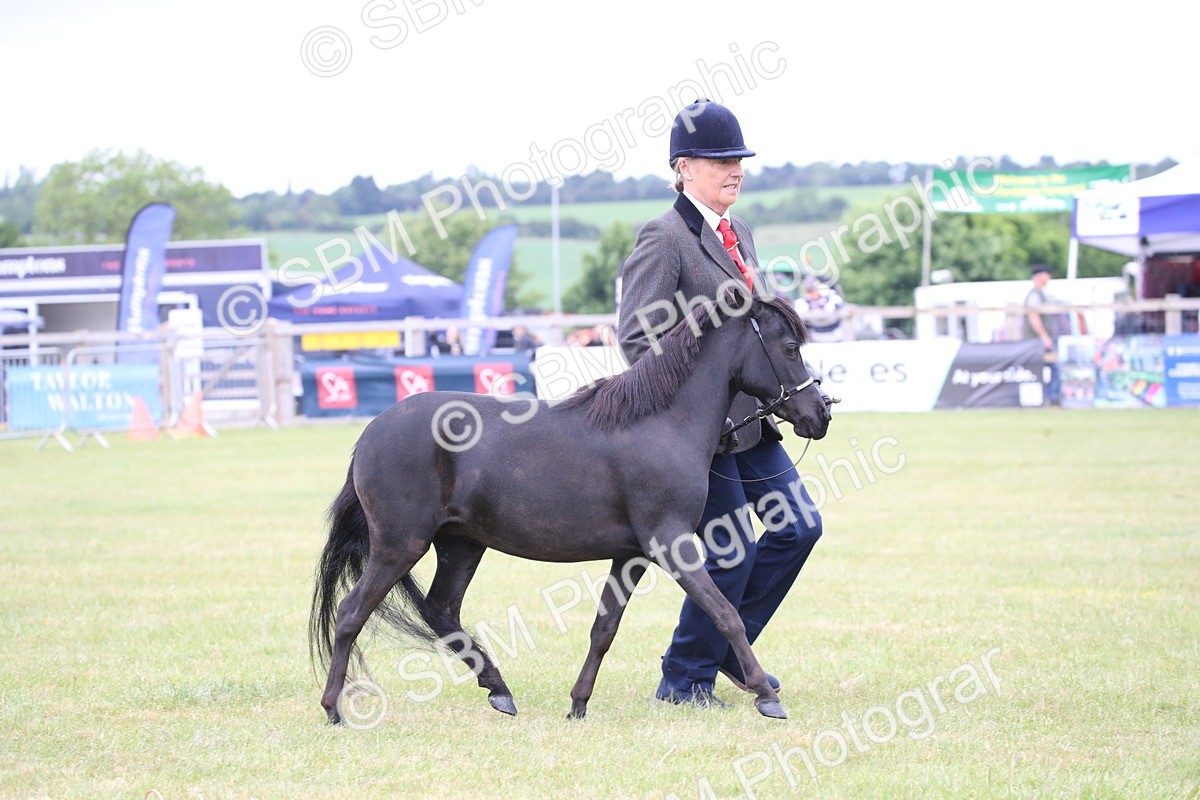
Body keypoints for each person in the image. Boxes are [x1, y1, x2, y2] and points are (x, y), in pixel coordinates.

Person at [617, 99, 825, 708]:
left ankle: (729, 653)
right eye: (719, 160)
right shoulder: (665, 236)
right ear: (683, 167)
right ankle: (684, 682)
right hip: (698, 433)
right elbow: (637, 337)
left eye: (738, 159)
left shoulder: (742, 234)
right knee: (729, 554)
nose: (734, 169)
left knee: (799, 527)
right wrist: (697, 392)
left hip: (755, 422)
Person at [1024, 263, 1066, 405]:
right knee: (1053, 367)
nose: (1049, 277)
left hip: (1039, 341)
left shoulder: (1042, 295)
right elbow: (1033, 316)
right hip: (1037, 342)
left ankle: (1049, 398)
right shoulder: (1035, 295)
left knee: (1048, 367)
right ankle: (1052, 399)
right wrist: (1044, 337)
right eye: (1047, 274)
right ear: (1040, 276)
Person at [799, 275, 846, 342]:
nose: (810, 294)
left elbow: (837, 307)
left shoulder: (832, 297)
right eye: (808, 291)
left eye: (812, 291)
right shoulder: (803, 302)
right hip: (816, 336)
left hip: (835, 335)